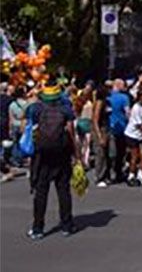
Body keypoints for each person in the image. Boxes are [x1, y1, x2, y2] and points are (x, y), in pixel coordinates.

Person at [27, 80, 79, 240]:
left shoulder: (35, 109)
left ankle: (38, 228)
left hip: (42, 155)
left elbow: (29, 129)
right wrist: (76, 155)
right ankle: (67, 225)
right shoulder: (66, 109)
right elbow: (71, 132)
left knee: (41, 192)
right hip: (62, 153)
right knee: (63, 190)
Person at [107, 79, 131, 183]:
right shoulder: (124, 98)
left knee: (111, 152)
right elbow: (127, 113)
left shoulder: (107, 97)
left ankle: (110, 172)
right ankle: (118, 172)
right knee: (120, 152)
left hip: (110, 126)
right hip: (122, 127)